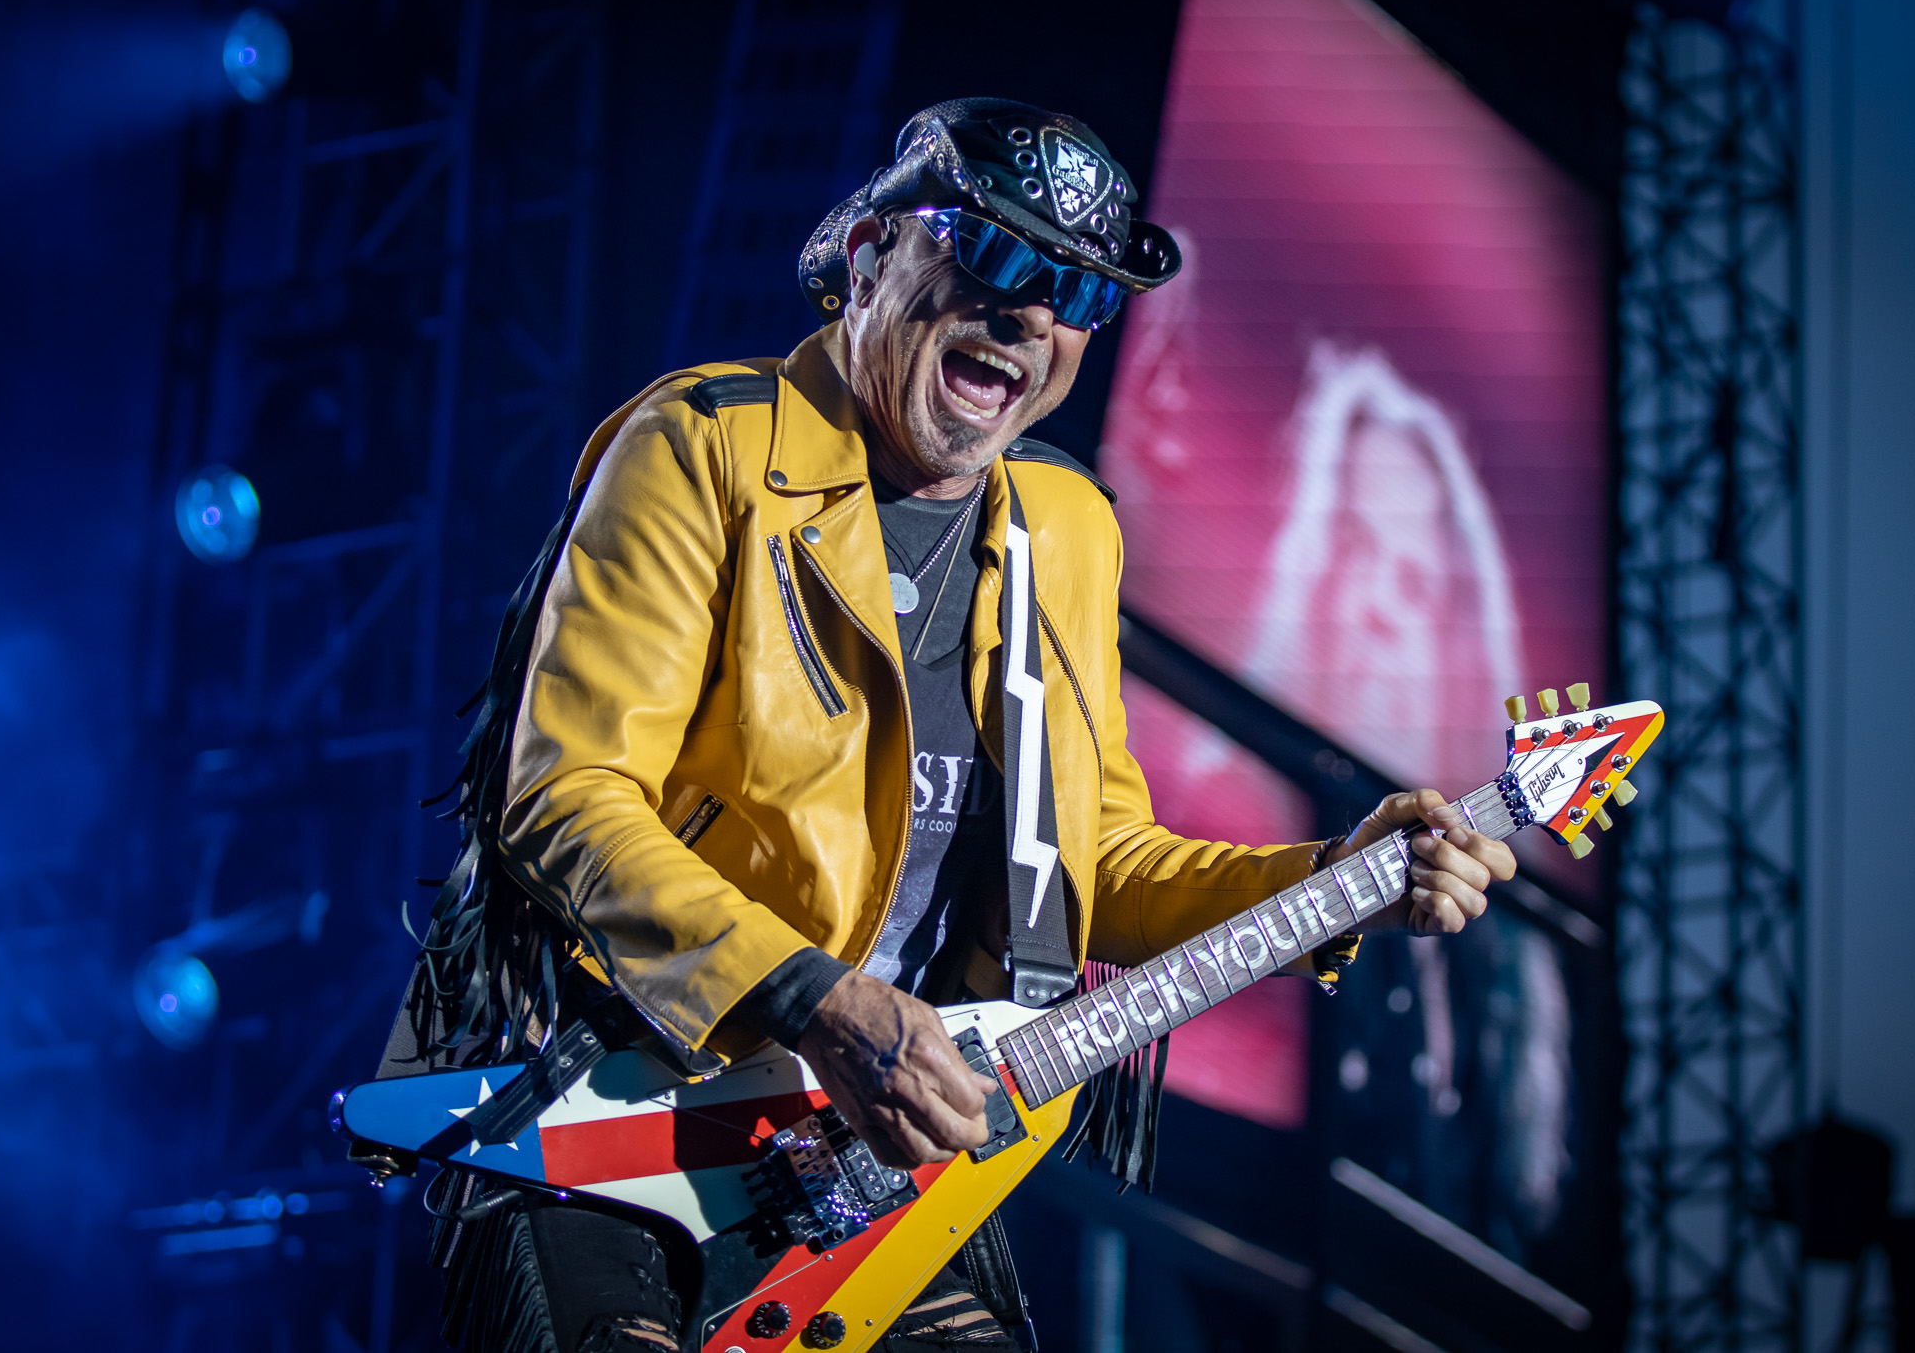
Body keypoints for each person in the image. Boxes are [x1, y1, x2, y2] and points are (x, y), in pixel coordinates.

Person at [391, 98, 1516, 1353]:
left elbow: (1092, 869)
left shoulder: (1066, 534)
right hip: (617, 1101)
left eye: (1077, 295)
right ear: (873, 253)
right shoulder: (700, 446)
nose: (1029, 316)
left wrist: (1331, 882)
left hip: (868, 1170)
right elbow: (567, 794)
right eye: (995, 257)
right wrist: (816, 997)